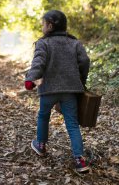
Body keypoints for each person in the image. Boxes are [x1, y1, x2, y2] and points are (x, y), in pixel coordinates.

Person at [25, 10, 91, 173]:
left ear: (50, 25)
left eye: (43, 24)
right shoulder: (74, 42)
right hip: (70, 89)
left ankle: (40, 145)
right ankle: (79, 160)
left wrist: (31, 79)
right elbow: (84, 61)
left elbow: (38, 62)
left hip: (49, 89)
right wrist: (81, 80)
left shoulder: (43, 43)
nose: (42, 26)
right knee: (72, 124)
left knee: (43, 115)